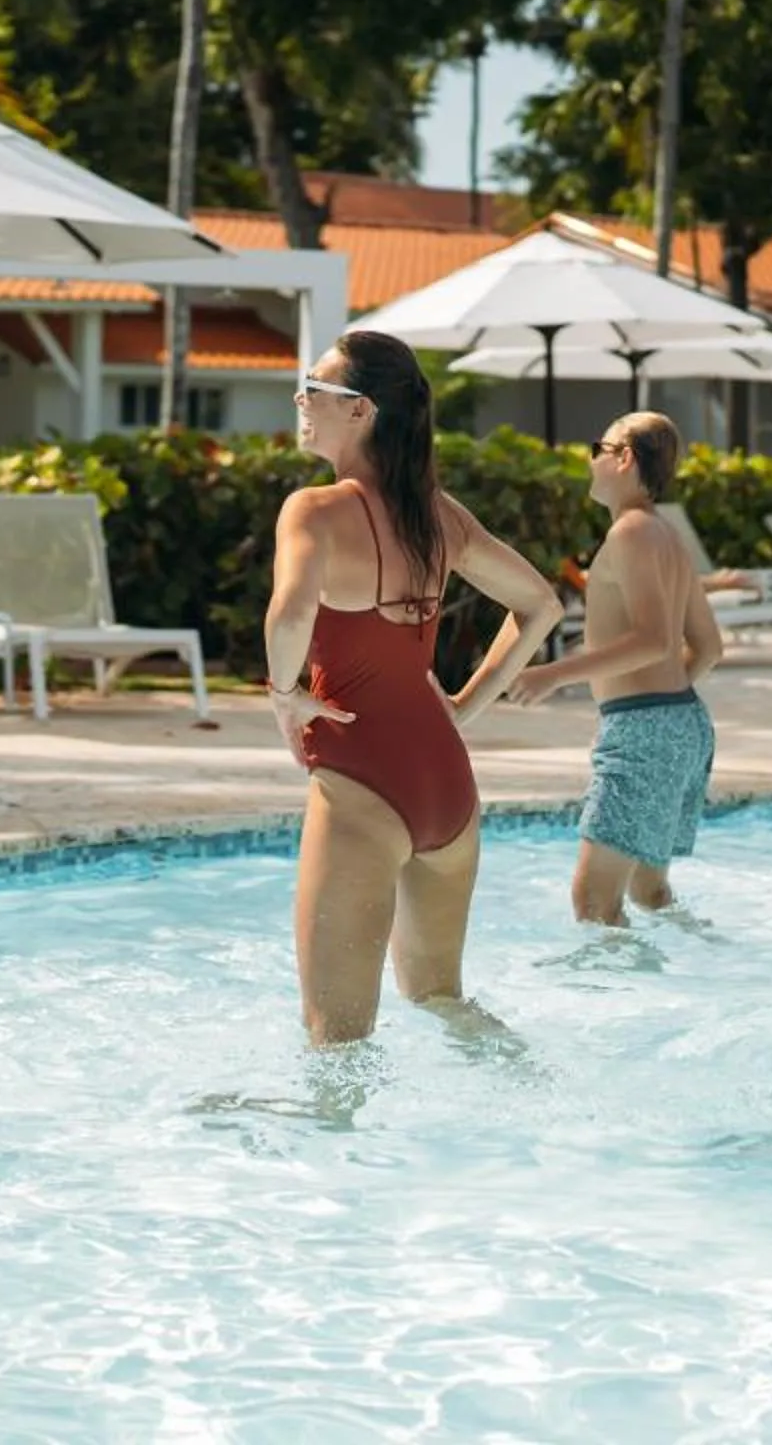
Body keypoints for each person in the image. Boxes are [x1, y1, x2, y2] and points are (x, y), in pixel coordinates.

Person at [264, 332, 563, 1044]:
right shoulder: (441, 515)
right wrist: (463, 707)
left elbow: (291, 612)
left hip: (362, 783)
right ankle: (535, 1096)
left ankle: (332, 1151)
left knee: (336, 1036)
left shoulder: (314, 510)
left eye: (317, 387)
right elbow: (542, 606)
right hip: (448, 789)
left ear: (361, 410)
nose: (301, 398)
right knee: (440, 998)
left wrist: (282, 693)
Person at [508, 412, 723, 925]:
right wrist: (665, 706)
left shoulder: (631, 534)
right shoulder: (667, 536)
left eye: (596, 448)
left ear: (624, 457)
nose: (590, 460)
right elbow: (708, 647)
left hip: (647, 728)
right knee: (648, 891)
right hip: (681, 722)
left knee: (593, 902)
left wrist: (554, 673)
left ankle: (621, 1005)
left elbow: (654, 640)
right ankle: (711, 965)